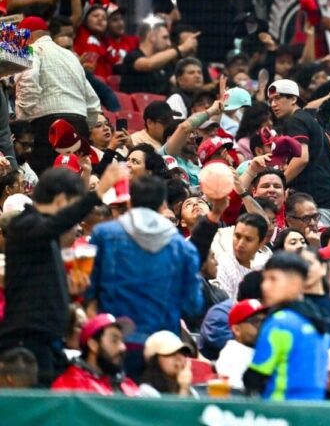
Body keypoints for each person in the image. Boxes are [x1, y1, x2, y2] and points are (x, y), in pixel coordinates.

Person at [0, 165, 122, 386]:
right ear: (60, 201)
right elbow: (56, 224)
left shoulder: (44, 234)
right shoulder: (24, 225)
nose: (73, 220)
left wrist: (69, 293)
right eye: (72, 207)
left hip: (47, 340)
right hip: (25, 342)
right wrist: (97, 192)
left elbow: (37, 286)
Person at [88, 175, 202, 379]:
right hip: (163, 350)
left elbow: (88, 291)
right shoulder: (184, 249)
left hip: (112, 345)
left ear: (130, 201)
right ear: (162, 205)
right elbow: (193, 305)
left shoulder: (104, 235)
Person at [15, 16, 101, 174]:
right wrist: (83, 130)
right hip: (78, 124)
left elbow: (28, 82)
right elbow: (92, 101)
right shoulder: (71, 57)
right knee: (77, 181)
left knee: (48, 182)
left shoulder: (30, 49)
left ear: (28, 36)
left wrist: (22, 119)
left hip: (47, 126)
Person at [244, 252, 330, 400]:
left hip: (280, 412)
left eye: (273, 279)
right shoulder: (319, 320)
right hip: (315, 412)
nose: (264, 286)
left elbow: (255, 377)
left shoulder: (280, 323)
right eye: (264, 279)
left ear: (296, 283)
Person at [268, 80, 330, 225]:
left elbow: (301, 158)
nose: (273, 104)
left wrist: (279, 184)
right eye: (270, 100)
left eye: (278, 98)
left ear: (293, 99)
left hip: (317, 201)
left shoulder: (295, 121)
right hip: (327, 197)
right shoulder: (308, 119)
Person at [51, 314, 140, 396]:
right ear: (93, 345)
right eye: (114, 340)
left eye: (122, 341)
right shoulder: (70, 385)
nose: (123, 347)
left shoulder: (128, 384)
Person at [120, 21, 198, 95]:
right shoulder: (132, 56)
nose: (169, 43)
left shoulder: (164, 64)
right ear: (152, 37)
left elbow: (177, 82)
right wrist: (182, 48)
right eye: (165, 38)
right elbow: (148, 64)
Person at [217, 299, 268, 391]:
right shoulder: (230, 356)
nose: (262, 326)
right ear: (237, 330)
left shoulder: (265, 348)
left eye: (264, 321)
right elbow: (238, 397)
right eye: (256, 322)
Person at [216, 213, 270, 299]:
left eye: (248, 239)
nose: (240, 244)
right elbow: (226, 306)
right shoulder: (224, 263)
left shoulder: (266, 263)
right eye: (237, 236)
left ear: (261, 243)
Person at [138, 331, 195, 397]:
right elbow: (178, 407)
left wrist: (185, 387)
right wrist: (184, 389)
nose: (179, 358)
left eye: (183, 353)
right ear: (155, 360)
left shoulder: (191, 390)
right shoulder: (146, 391)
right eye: (171, 353)